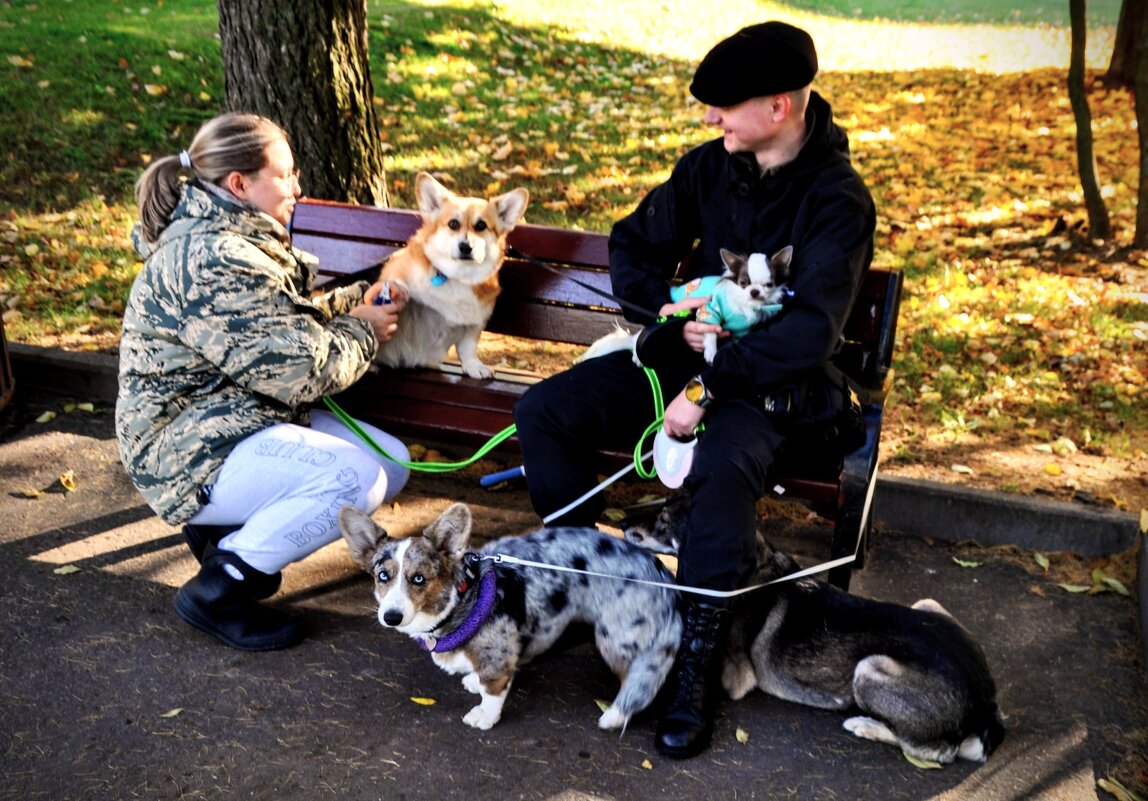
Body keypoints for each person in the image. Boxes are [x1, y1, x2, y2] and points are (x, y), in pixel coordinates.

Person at [512, 22, 876, 758]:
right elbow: (631, 243)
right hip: (687, 359)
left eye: (722, 106)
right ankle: (605, 593)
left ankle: (696, 672)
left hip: (773, 388)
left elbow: (809, 333)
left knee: (716, 475)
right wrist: (671, 309)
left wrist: (709, 388)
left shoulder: (838, 200)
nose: (709, 119)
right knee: (543, 412)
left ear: (779, 106)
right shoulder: (709, 168)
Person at [118, 112, 412, 652]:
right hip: (184, 453)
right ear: (239, 185)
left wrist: (352, 305)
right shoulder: (215, 258)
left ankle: (226, 536)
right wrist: (363, 331)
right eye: (286, 174)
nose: (298, 187)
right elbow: (304, 372)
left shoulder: (226, 237)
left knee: (390, 462)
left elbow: (271, 326)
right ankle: (219, 589)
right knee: (355, 481)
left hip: (225, 418)